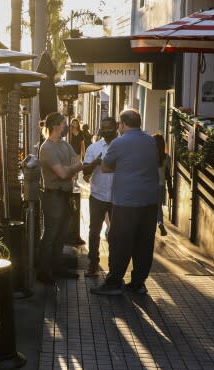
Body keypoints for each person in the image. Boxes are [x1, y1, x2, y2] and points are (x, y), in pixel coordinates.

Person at [91, 109, 160, 296]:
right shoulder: (150, 141)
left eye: (119, 125)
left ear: (122, 125)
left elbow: (105, 167)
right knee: (144, 242)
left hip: (126, 201)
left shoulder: (118, 142)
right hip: (150, 200)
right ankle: (138, 283)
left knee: (120, 241)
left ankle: (113, 283)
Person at [37, 112, 84, 284]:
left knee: (61, 234)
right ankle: (43, 272)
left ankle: (56, 268)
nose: (67, 127)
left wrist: (70, 168)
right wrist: (72, 168)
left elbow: (77, 161)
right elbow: (64, 172)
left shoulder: (64, 145)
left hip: (65, 195)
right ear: (57, 126)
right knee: (50, 235)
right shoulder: (47, 148)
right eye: (64, 124)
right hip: (53, 196)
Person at [82, 117, 118, 277]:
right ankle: (93, 263)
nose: (106, 131)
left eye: (109, 128)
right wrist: (96, 163)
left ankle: (114, 266)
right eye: (103, 128)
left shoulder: (122, 147)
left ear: (116, 127)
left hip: (118, 197)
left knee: (116, 233)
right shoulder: (93, 148)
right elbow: (85, 173)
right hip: (97, 195)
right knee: (94, 231)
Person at [153, 133, 171, 237]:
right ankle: (160, 223)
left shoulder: (150, 157)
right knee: (158, 207)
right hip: (161, 186)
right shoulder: (167, 158)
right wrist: (170, 189)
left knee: (150, 207)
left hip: (151, 185)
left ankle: (150, 227)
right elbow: (168, 175)